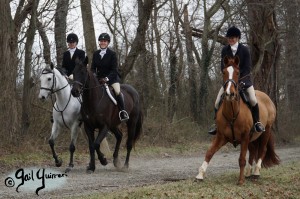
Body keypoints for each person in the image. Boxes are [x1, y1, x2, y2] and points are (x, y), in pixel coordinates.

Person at [208, 26, 265, 135]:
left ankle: (257, 123)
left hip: (244, 81)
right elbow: (222, 66)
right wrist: (229, 81)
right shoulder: (225, 50)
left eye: (233, 37)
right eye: (229, 37)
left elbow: (247, 67)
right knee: (216, 102)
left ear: (238, 38)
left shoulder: (244, 50)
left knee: (252, 99)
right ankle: (216, 124)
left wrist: (239, 81)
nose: (231, 39)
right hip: (229, 82)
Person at [91, 33, 129, 122]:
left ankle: (123, 112)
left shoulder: (112, 54)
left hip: (112, 79)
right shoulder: (96, 54)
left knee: (117, 91)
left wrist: (107, 79)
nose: (103, 42)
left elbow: (114, 70)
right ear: (99, 43)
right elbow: (93, 68)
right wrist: (94, 76)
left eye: (105, 41)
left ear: (108, 43)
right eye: (101, 41)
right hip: (99, 79)